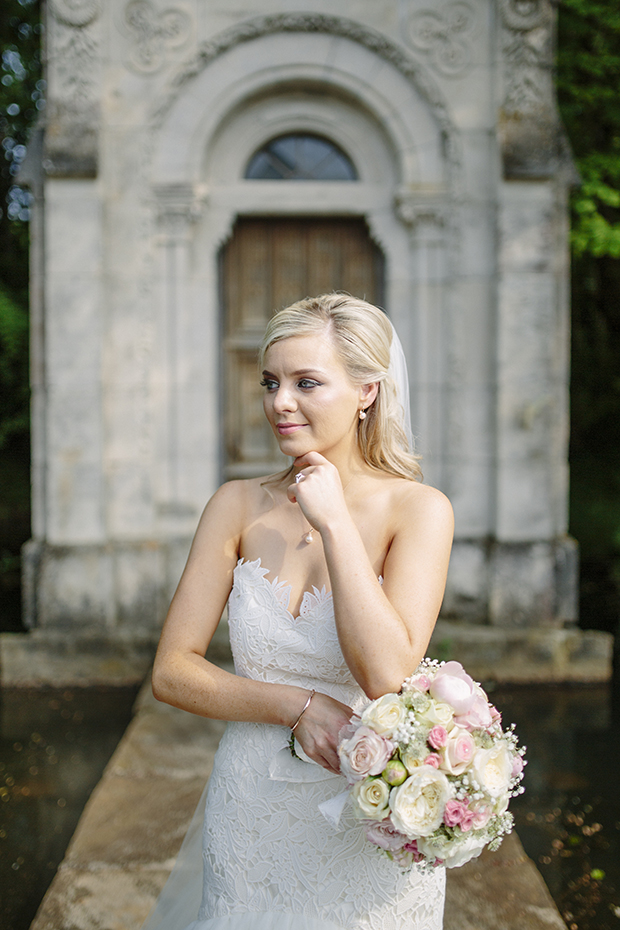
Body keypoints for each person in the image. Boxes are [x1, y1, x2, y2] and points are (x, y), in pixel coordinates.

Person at [147, 293, 454, 930]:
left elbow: (388, 676)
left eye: (306, 382)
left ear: (368, 390)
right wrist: (299, 706)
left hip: (367, 810)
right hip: (250, 808)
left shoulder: (419, 510)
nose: (280, 402)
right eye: (271, 382)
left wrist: (337, 523)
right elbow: (173, 672)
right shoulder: (235, 505)